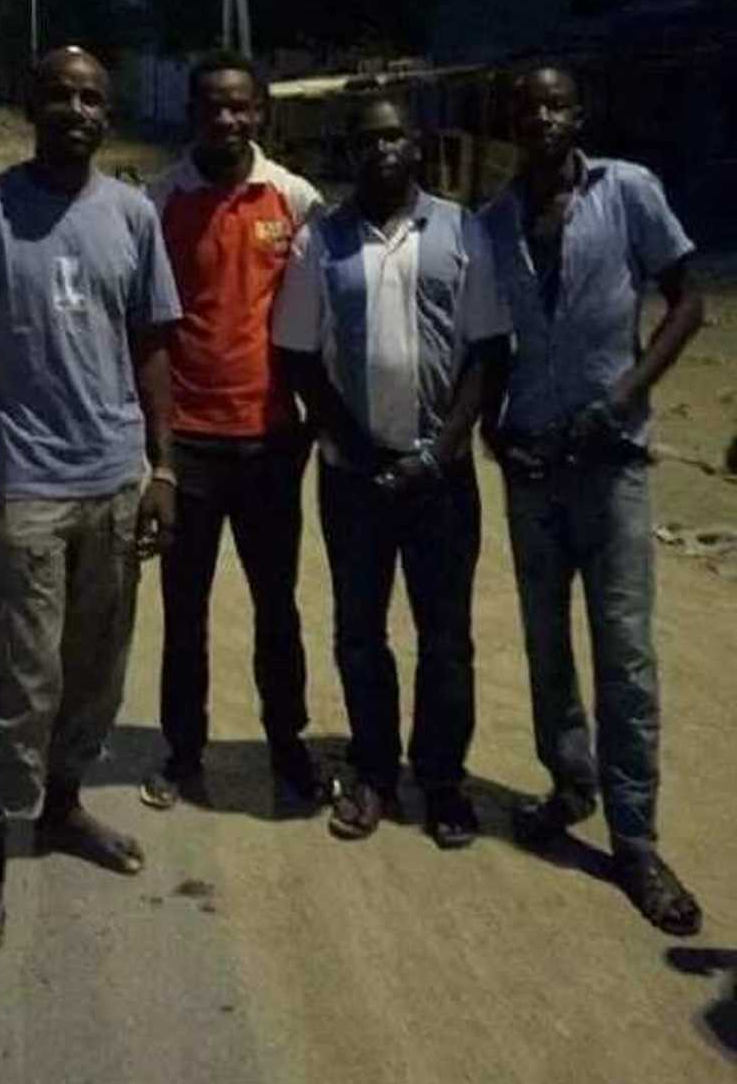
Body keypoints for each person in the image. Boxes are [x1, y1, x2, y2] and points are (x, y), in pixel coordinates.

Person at [0, 47, 181, 957]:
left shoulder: (133, 214)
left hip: (114, 480)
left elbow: (152, 345)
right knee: (21, 678)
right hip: (27, 485)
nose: (77, 109)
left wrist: (164, 469)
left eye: (92, 97)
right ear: (29, 107)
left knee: (97, 669)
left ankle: (63, 807)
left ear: (107, 113)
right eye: (60, 95)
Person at [480, 66, 704, 935]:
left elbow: (687, 303)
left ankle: (636, 839)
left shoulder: (629, 191)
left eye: (557, 104)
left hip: (611, 463)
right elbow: (488, 342)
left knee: (626, 653)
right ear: (509, 121)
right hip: (533, 463)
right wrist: (494, 431)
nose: (542, 116)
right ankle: (569, 783)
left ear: (579, 114)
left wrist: (624, 398)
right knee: (547, 645)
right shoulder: (492, 222)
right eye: (527, 106)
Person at [273, 92, 510, 847]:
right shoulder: (320, 241)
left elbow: (488, 352)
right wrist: (359, 447)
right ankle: (374, 773)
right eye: (366, 140)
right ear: (349, 152)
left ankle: (442, 781)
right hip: (353, 477)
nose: (381, 151)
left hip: (442, 479)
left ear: (417, 145)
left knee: (446, 638)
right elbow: (298, 356)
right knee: (359, 632)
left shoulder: (462, 229)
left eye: (393, 137)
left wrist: (439, 453)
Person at [139, 52, 324, 816]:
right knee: (184, 613)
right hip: (187, 442)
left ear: (261, 113)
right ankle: (183, 751)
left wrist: (318, 421)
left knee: (277, 607)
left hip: (271, 442)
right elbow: (143, 328)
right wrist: (154, 451)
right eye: (212, 106)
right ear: (192, 114)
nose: (226, 119)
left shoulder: (295, 199)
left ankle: (289, 746)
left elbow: (321, 317)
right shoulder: (158, 202)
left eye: (240, 106)